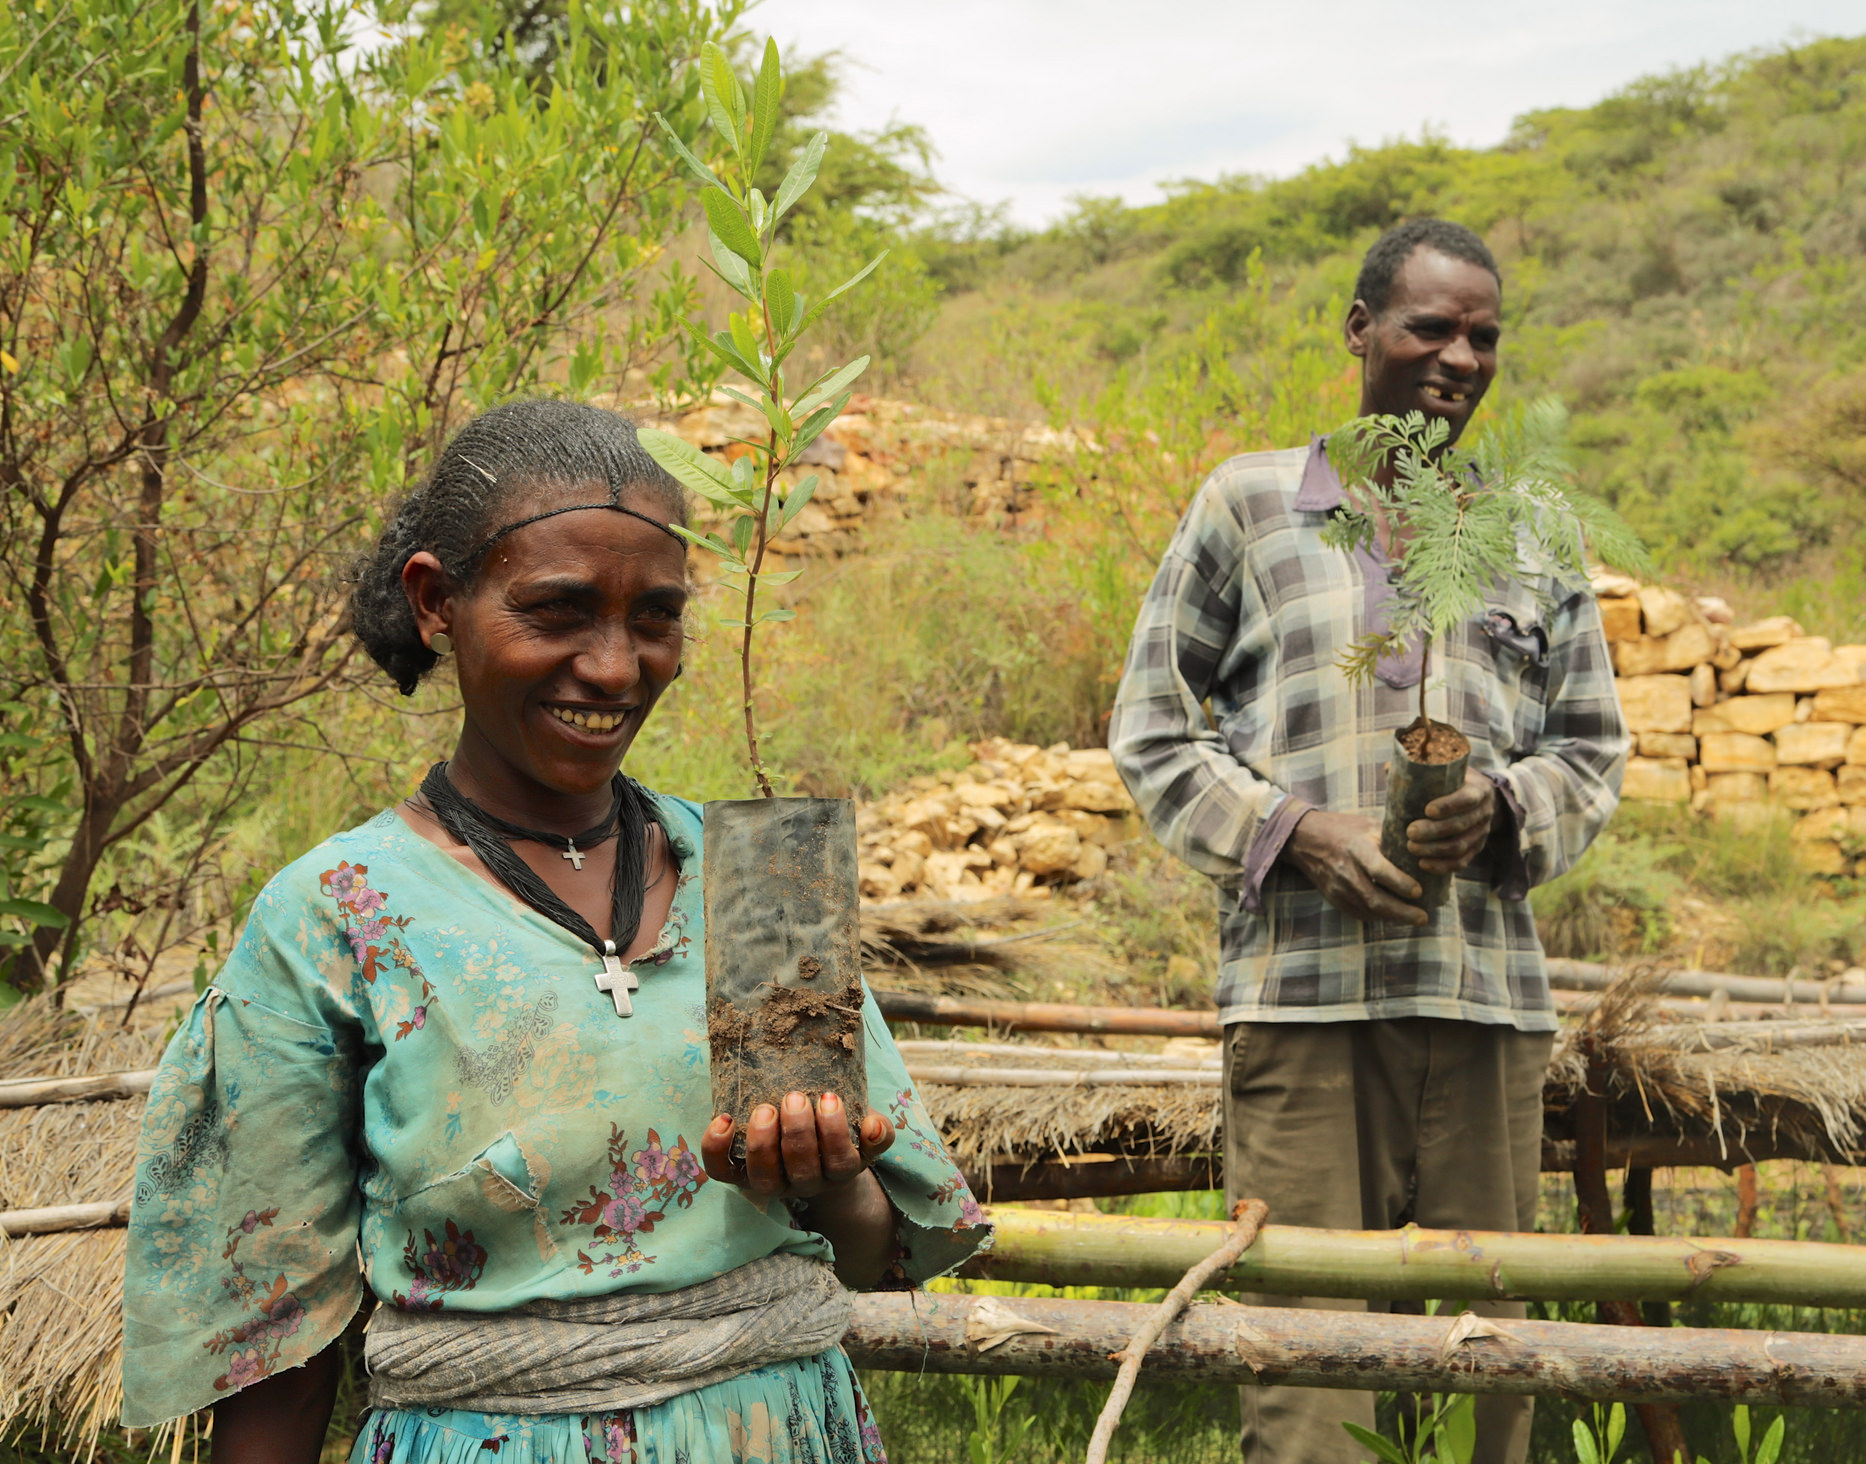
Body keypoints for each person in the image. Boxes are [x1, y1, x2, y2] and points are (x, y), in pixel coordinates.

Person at [120, 399, 989, 1464]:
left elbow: (870, 1256)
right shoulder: (337, 916)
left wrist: (829, 1175)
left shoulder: (759, 882)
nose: (616, 667)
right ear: (436, 603)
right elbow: (275, 1366)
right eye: (557, 611)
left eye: (656, 617)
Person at [1107, 218, 1627, 1464]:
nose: (1459, 357)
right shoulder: (1250, 504)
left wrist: (1504, 808)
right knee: (1306, 1382)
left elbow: (1590, 750)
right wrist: (1296, 832)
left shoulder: (1529, 532)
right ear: (1359, 332)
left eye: (1482, 337)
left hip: (1482, 1000)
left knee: (1483, 1375)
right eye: (1428, 327)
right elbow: (1151, 731)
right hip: (1301, 1001)